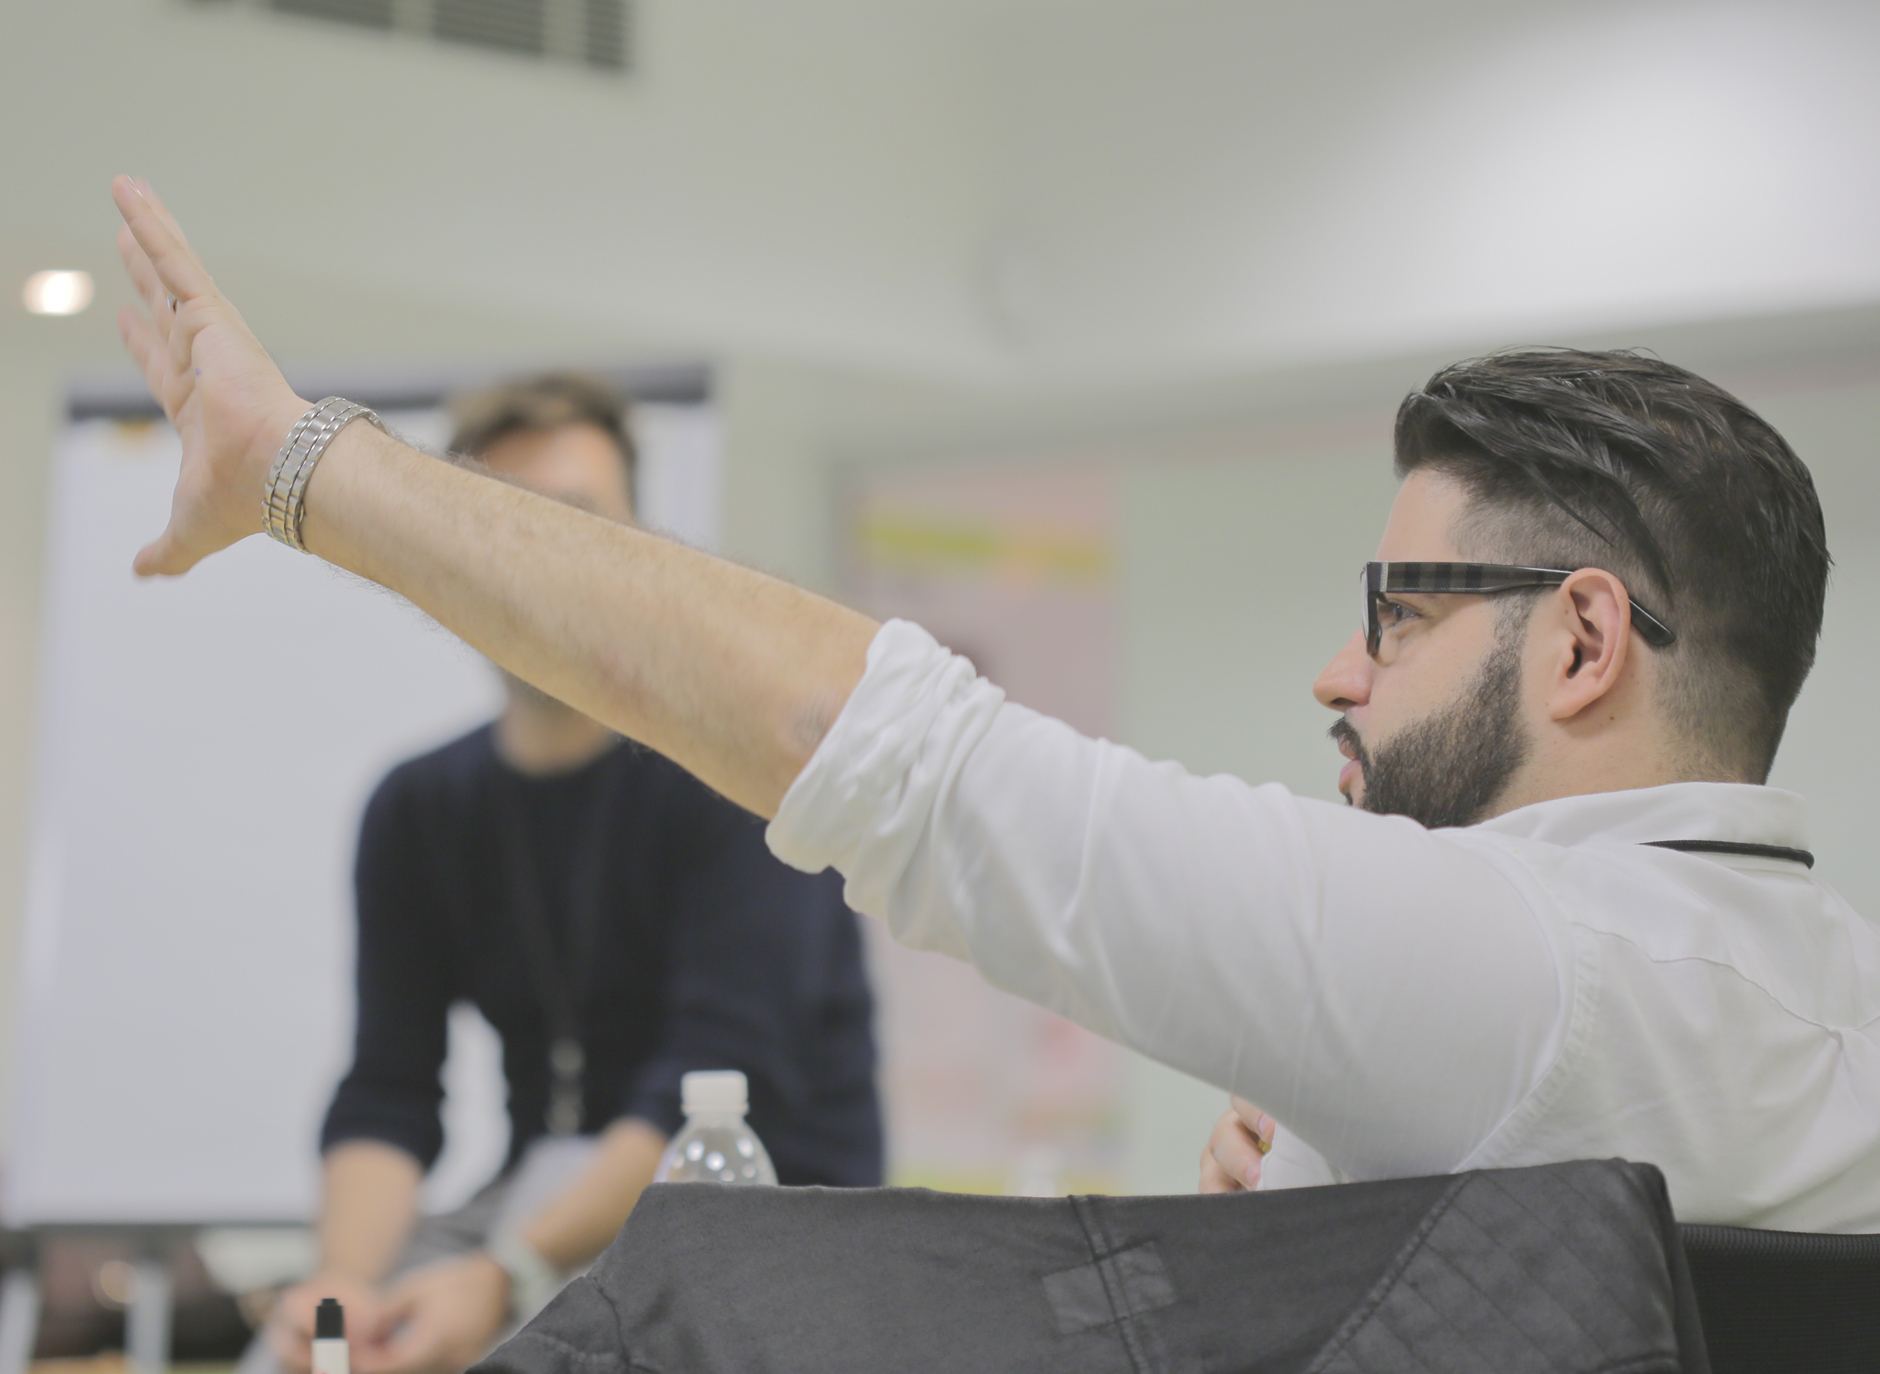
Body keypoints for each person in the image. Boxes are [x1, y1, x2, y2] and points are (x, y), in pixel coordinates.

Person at [113, 178, 1880, 1236]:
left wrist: (301, 470)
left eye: (1398, 615)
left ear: (1582, 647)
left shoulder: (1527, 969)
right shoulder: (1820, 998)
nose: (1338, 673)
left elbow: (884, 754)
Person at [190, 373, 881, 1374]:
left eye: (577, 521)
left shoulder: (734, 781)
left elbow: (702, 1093)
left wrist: (507, 1274)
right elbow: (388, 1085)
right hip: (542, 1213)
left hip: (744, 1218)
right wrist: (343, 1292)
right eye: (503, 522)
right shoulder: (420, 808)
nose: (538, 555)